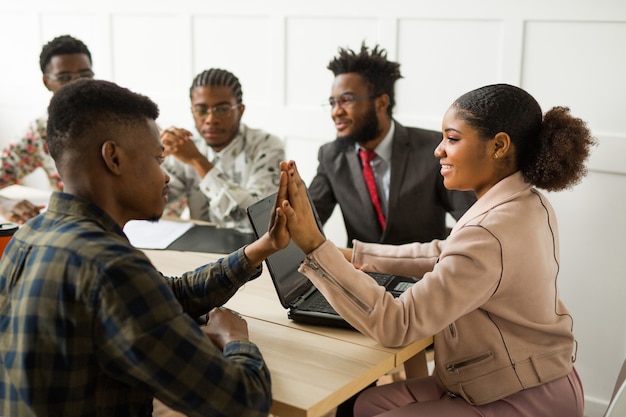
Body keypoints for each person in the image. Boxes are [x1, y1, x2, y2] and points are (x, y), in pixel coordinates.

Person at [277, 83, 596, 416]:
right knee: (367, 404)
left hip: (520, 396)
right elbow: (446, 253)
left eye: (452, 139)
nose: (438, 150)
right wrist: (349, 255)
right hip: (530, 376)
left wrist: (315, 247)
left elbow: (397, 324)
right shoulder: (525, 201)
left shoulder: (488, 230)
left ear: (499, 146)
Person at [0, 78, 290, 417]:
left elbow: (167, 294)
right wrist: (236, 339)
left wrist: (261, 248)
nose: (166, 176)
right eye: (157, 159)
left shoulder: (27, 236)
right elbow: (245, 401)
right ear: (114, 158)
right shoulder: (109, 267)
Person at [308, 43, 475, 247]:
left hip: (423, 275)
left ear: (381, 103)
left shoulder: (434, 149)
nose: (336, 112)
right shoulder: (330, 156)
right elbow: (307, 223)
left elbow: (473, 222)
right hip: (359, 273)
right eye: (333, 102)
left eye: (346, 100)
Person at [160, 68, 285, 232]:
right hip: (199, 248)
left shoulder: (267, 146)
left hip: (254, 250)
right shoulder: (185, 146)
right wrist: (154, 158)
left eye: (222, 109)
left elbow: (257, 220)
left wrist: (199, 162)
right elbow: (151, 203)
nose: (211, 119)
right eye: (201, 110)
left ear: (240, 111)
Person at [0, 34, 94, 224]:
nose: (77, 83)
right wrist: (3, 204)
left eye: (85, 75)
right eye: (64, 77)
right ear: (47, 82)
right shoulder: (40, 132)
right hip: (73, 228)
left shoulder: (121, 121)